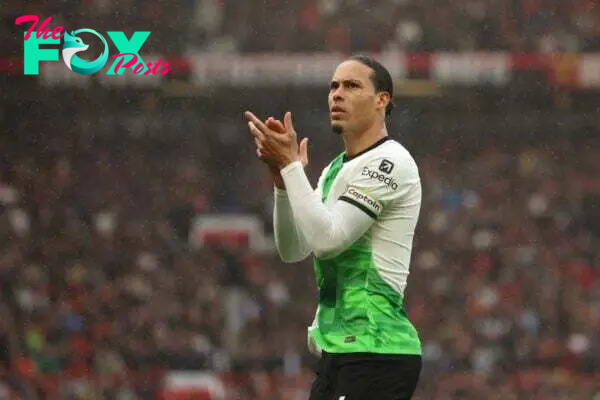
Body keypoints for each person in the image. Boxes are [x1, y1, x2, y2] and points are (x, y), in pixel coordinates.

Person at [244, 54, 422, 400]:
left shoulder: (390, 162)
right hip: (338, 352)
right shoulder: (333, 171)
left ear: (381, 100)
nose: (336, 94)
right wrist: (282, 179)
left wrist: (293, 167)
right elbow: (294, 248)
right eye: (333, 86)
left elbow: (328, 241)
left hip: (378, 349)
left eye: (352, 86)